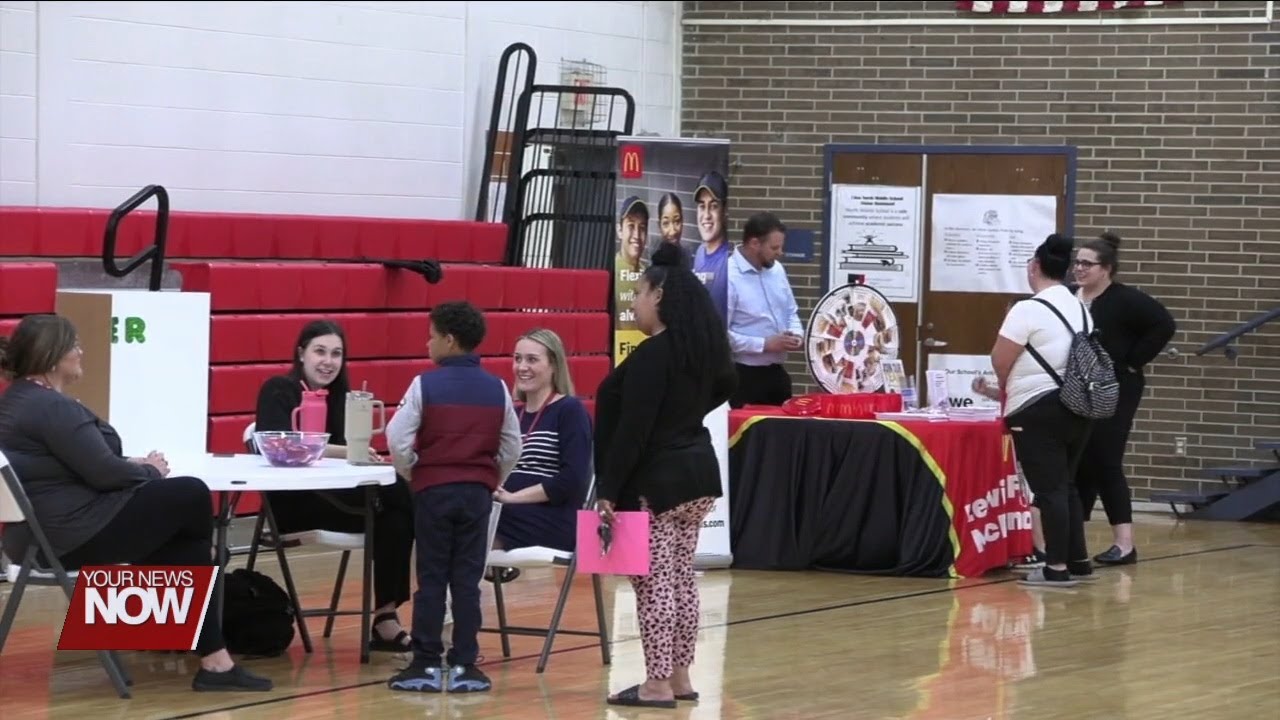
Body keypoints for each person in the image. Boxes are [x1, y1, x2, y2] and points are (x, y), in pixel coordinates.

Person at [0, 314, 272, 692]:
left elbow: (74, 465)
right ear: (51, 357)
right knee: (190, 494)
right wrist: (151, 472)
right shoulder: (49, 407)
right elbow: (105, 475)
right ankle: (206, 614)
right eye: (74, 345)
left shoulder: (18, 400)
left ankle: (215, 657)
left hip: (33, 537)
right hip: (67, 534)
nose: (81, 352)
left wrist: (131, 466)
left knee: (182, 540)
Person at [594, 243, 738, 709]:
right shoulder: (699, 349)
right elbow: (728, 384)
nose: (634, 302)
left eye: (639, 293)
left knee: (654, 585)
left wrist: (609, 492)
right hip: (697, 475)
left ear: (659, 295)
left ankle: (655, 683)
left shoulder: (655, 354)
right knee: (679, 581)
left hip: (657, 482)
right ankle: (679, 676)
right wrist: (683, 418)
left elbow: (632, 433)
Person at [384, 301, 522, 694]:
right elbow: (512, 445)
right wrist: (491, 476)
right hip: (476, 495)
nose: (427, 343)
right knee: (466, 580)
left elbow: (396, 438)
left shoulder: (423, 385)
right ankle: (465, 664)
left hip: (433, 493)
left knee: (431, 578)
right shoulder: (496, 387)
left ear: (448, 339)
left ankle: (425, 663)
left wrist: (415, 471)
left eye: (431, 336)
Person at [253, 319, 416, 652]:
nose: (328, 361)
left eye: (337, 354)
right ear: (301, 354)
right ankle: (439, 572)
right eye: (320, 351)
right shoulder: (278, 389)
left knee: (396, 516)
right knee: (401, 494)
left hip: (340, 502)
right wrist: (348, 450)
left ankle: (386, 615)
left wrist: (360, 457)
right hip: (292, 504)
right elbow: (278, 442)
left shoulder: (346, 400)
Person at [990, 234, 1097, 589]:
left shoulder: (1027, 309)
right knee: (1066, 485)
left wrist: (1006, 388)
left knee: (1048, 490)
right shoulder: (1080, 306)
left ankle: (1056, 567)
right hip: (1079, 405)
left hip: (1037, 408)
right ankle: (1079, 560)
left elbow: (1000, 359)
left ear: (1034, 267)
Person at [1071, 232, 1176, 566]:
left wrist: (1132, 361)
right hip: (1081, 389)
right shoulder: (1072, 297)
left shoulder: (1126, 299)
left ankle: (1125, 544)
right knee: (1080, 461)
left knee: (1106, 459)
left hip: (1118, 388)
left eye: (1087, 263)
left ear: (1107, 268)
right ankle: (1073, 540)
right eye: (1077, 262)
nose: (1079, 268)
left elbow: (1164, 324)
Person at [489, 329, 593, 579]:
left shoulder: (570, 410)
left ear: (554, 365)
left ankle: (455, 599)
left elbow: (573, 480)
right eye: (517, 359)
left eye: (532, 360)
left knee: (466, 518)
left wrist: (514, 498)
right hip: (507, 513)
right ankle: (457, 596)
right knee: (454, 509)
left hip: (553, 518)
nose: (522, 367)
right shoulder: (512, 413)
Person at [725, 211, 803, 407]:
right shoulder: (728, 276)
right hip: (743, 376)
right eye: (774, 247)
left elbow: (791, 310)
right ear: (754, 243)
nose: (780, 253)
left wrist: (796, 335)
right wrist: (764, 344)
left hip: (777, 374)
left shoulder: (777, 270)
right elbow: (720, 335)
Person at [691, 171, 732, 322]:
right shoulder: (700, 252)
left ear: (725, 210)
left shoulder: (730, 259)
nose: (706, 215)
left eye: (713, 206)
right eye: (702, 206)